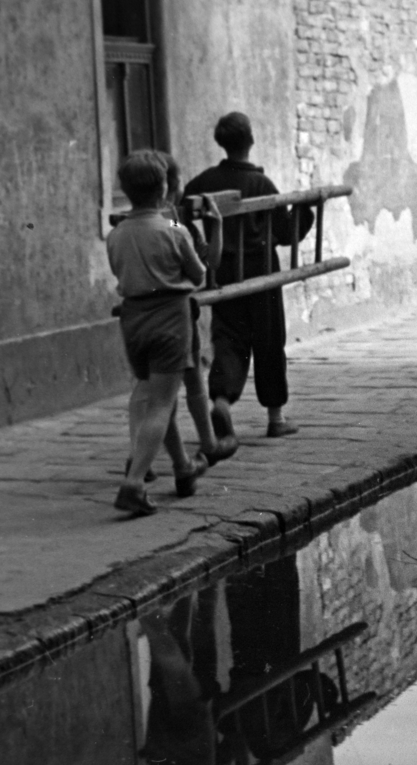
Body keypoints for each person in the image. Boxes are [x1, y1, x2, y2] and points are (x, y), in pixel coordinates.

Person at [183, 112, 313, 444]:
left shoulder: (203, 182)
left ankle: (223, 401)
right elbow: (285, 235)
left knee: (228, 338)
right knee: (269, 341)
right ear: (251, 141)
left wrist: (200, 240)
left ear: (221, 143)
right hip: (261, 271)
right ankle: (276, 418)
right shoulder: (262, 185)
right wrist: (306, 211)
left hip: (223, 271)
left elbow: (179, 211)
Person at [107, 151, 223, 517]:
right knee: (162, 403)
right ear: (163, 189)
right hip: (169, 319)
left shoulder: (117, 233)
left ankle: (183, 465)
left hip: (133, 319)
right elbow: (199, 272)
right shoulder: (173, 229)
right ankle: (134, 483)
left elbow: (118, 272)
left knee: (158, 396)